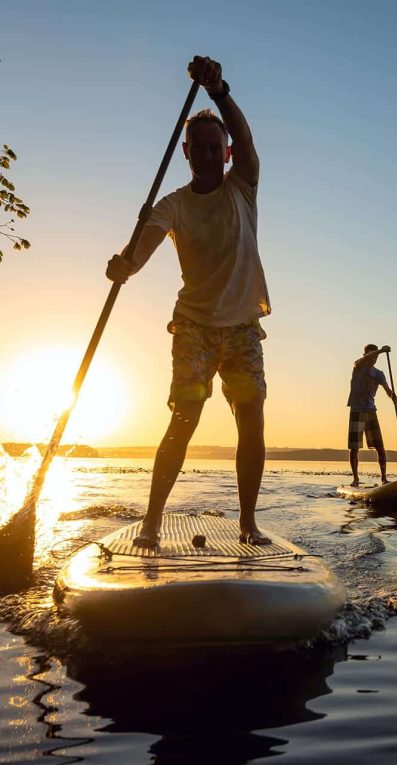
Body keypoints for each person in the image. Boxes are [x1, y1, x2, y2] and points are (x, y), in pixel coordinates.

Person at [106, 55, 271, 548]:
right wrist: (125, 265)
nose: (205, 152)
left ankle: (248, 523)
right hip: (195, 326)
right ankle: (153, 522)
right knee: (186, 416)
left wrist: (219, 92)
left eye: (213, 146)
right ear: (185, 152)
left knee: (251, 416)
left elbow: (246, 140)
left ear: (224, 153)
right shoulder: (173, 203)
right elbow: (142, 247)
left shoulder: (244, 186)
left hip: (242, 326)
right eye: (196, 146)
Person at [347, 344, 397, 487]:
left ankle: (384, 478)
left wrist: (393, 396)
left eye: (375, 357)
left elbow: (388, 390)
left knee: (380, 447)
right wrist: (381, 351)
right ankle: (356, 479)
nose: (373, 359)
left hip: (371, 411)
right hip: (357, 410)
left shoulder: (379, 374)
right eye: (370, 355)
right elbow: (360, 361)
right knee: (354, 448)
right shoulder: (358, 367)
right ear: (364, 355)